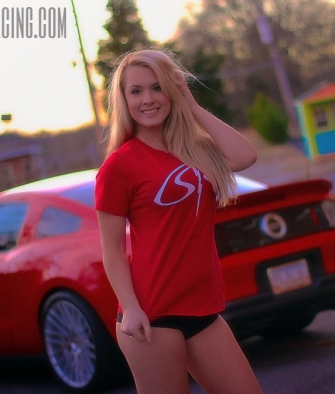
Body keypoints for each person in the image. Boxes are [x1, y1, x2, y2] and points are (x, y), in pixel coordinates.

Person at [94, 48, 263, 394]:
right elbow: (111, 249)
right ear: (124, 100)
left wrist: (193, 107)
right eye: (136, 91)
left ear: (172, 90)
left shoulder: (196, 149)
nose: (148, 99)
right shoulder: (119, 166)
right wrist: (131, 309)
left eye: (157, 87)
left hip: (203, 307)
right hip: (151, 315)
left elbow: (245, 156)